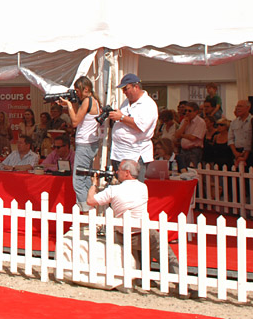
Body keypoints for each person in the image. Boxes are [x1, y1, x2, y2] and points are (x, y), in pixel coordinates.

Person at [87, 158, 178, 274]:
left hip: (122, 234)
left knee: (148, 242)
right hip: (140, 232)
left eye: (119, 170)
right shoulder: (143, 188)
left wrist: (94, 184)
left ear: (127, 172)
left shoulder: (113, 190)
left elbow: (90, 200)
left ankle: (142, 276)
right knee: (165, 252)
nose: (116, 172)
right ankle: (179, 279)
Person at [57, 76, 103, 206]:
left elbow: (75, 121)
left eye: (78, 91)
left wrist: (69, 106)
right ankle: (89, 210)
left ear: (86, 89)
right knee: (85, 179)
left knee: (78, 181)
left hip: (85, 144)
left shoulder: (88, 101)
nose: (76, 94)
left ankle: (86, 212)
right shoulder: (93, 101)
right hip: (89, 143)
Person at [106, 74, 159, 174]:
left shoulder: (148, 104)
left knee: (133, 185)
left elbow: (141, 126)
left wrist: (121, 117)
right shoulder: (126, 102)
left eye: (126, 89)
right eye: (123, 90)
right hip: (119, 152)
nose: (124, 92)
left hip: (135, 154)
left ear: (136, 87)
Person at [173, 102, 205, 170]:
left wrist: (182, 135)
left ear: (196, 112)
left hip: (194, 150)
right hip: (183, 150)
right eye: (185, 111)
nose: (187, 113)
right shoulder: (184, 121)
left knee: (193, 170)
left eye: (189, 111)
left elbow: (193, 137)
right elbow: (177, 135)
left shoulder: (200, 122)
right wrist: (184, 125)